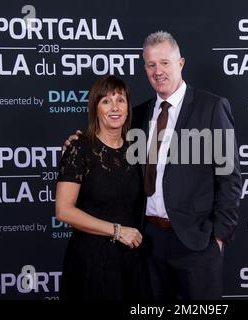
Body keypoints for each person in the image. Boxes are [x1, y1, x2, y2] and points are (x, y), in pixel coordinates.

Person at [65, 31, 242, 300]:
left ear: (180, 63)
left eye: (164, 63)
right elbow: (106, 145)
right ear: (145, 68)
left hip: (196, 242)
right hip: (147, 243)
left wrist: (218, 238)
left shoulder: (211, 107)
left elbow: (229, 177)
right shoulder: (138, 115)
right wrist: (78, 142)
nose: (158, 71)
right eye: (151, 65)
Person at [55, 75, 151, 300]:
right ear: (95, 108)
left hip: (131, 260)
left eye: (121, 100)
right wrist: (117, 231)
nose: (115, 107)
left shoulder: (137, 150)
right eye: (106, 101)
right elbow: (63, 211)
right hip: (91, 261)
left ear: (129, 108)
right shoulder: (79, 149)